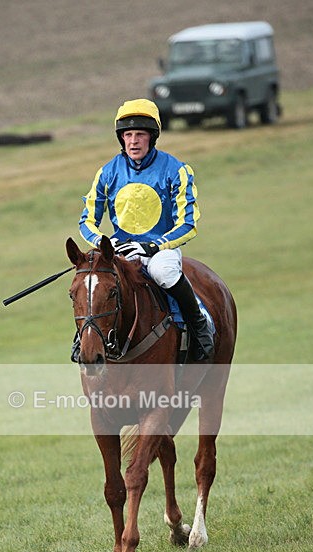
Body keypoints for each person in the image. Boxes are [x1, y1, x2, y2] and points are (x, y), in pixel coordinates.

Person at [77, 98, 214, 363]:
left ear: (152, 137)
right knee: (94, 284)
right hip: (120, 251)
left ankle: (199, 326)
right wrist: (106, 244)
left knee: (163, 272)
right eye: (128, 135)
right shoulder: (107, 172)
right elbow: (87, 222)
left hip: (160, 249)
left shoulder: (177, 170)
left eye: (140, 134)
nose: (133, 141)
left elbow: (188, 224)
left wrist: (153, 246)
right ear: (121, 139)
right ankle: (84, 340)